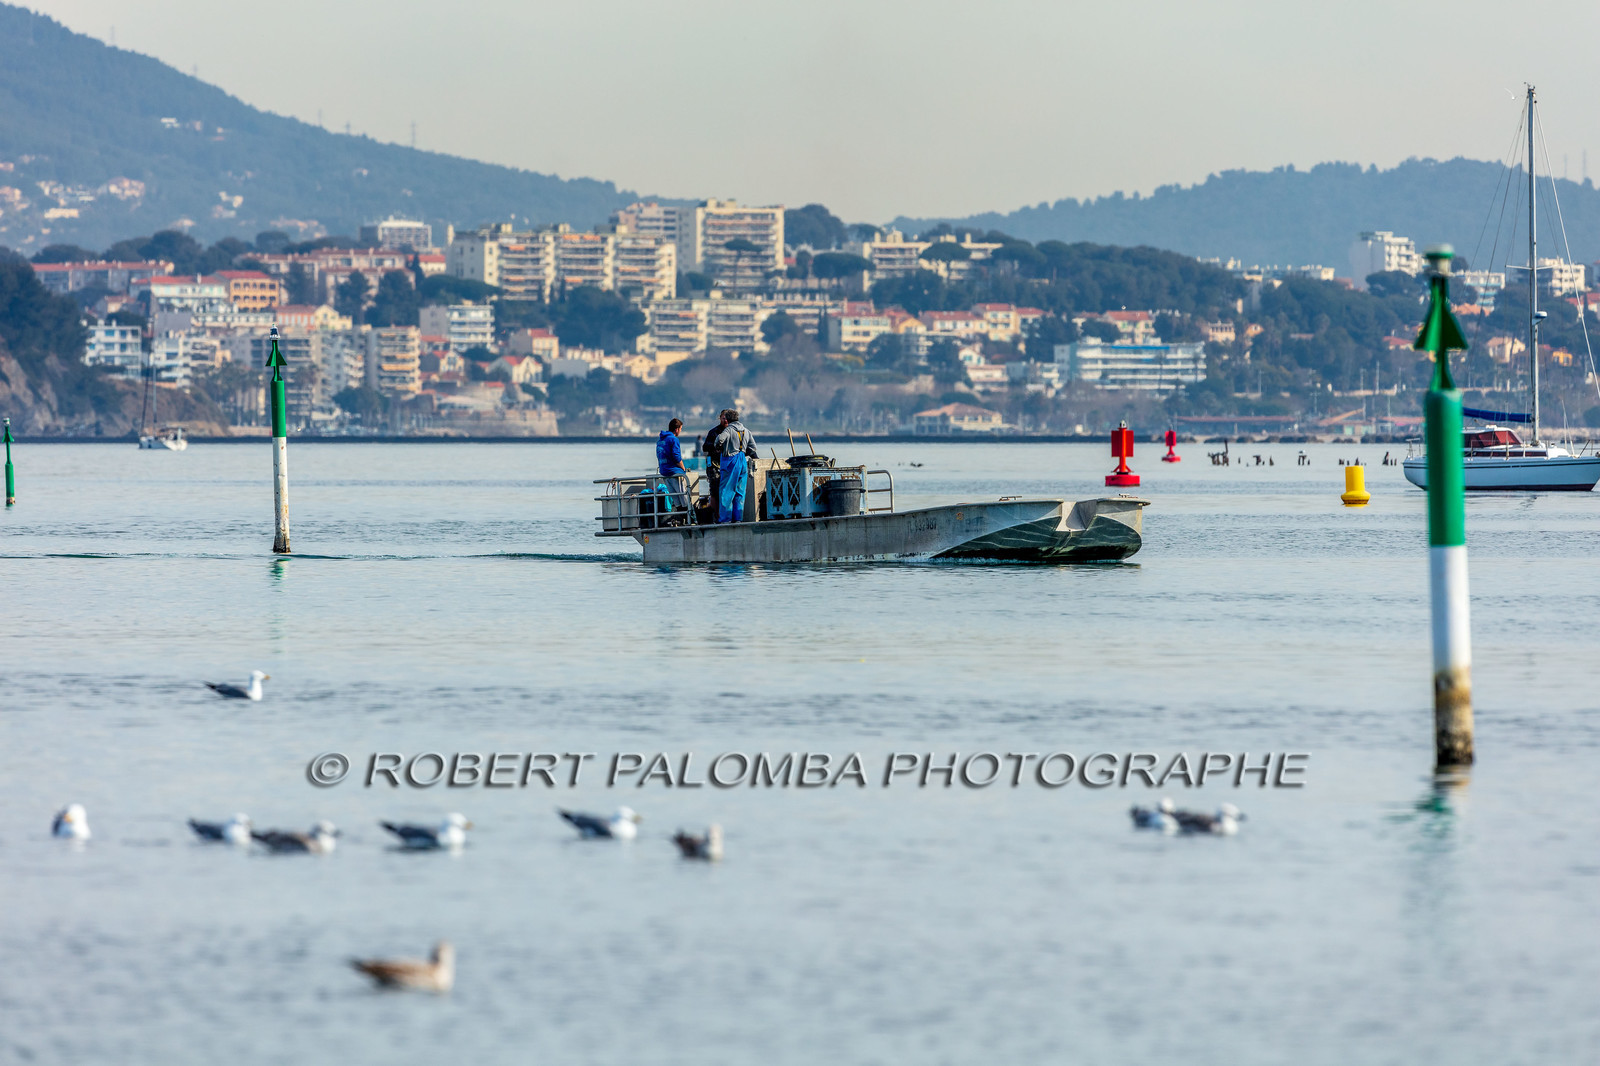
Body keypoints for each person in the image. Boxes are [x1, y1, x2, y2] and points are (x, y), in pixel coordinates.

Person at [712, 408, 758, 523]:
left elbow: (719, 440)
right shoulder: (746, 431)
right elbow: (753, 448)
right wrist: (743, 453)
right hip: (742, 461)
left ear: (727, 419)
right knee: (739, 492)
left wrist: (718, 447)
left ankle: (725, 519)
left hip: (730, 460)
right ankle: (738, 519)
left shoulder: (728, 430)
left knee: (726, 491)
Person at [655, 418, 688, 521]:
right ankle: (689, 519)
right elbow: (676, 457)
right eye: (681, 429)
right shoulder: (673, 439)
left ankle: (681, 518)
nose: (680, 431)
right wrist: (683, 468)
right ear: (677, 429)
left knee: (676, 499)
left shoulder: (660, 440)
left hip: (664, 472)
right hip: (674, 472)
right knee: (684, 498)